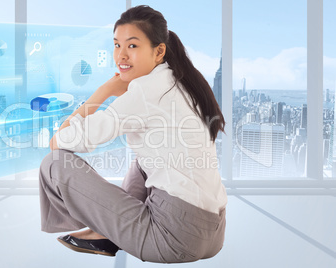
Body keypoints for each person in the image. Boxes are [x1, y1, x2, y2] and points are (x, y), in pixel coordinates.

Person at [39, 5, 227, 264]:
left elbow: (59, 141)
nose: (121, 56)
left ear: (159, 51)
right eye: (117, 45)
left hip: (172, 239)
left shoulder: (145, 91)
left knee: (54, 164)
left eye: (133, 46)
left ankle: (103, 230)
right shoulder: (181, 82)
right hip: (213, 234)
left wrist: (105, 90)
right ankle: (105, 233)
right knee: (144, 159)